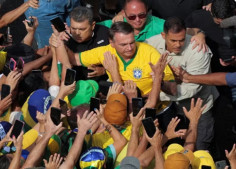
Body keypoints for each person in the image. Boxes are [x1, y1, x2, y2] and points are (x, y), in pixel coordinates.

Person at [146, 17, 219, 150]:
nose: (178, 44)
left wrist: (154, 95)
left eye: (182, 39)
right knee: (171, 149)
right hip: (169, 109)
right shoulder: (150, 45)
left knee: (198, 148)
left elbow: (191, 89)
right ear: (163, 35)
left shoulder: (198, 50)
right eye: (173, 40)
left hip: (198, 107)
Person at [54, 21, 176, 97]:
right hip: (121, 103)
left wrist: (160, 81)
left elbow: (173, 89)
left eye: (132, 42)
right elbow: (74, 59)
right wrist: (59, 41)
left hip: (151, 105)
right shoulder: (106, 52)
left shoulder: (149, 53)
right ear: (112, 43)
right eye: (123, 44)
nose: (129, 48)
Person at [58, 6, 110, 81]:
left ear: (93, 25)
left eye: (82, 29)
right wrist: (59, 44)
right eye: (73, 28)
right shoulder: (65, 40)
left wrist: (105, 70)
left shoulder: (105, 34)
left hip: (105, 82)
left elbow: (122, 59)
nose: (77, 33)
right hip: (77, 85)